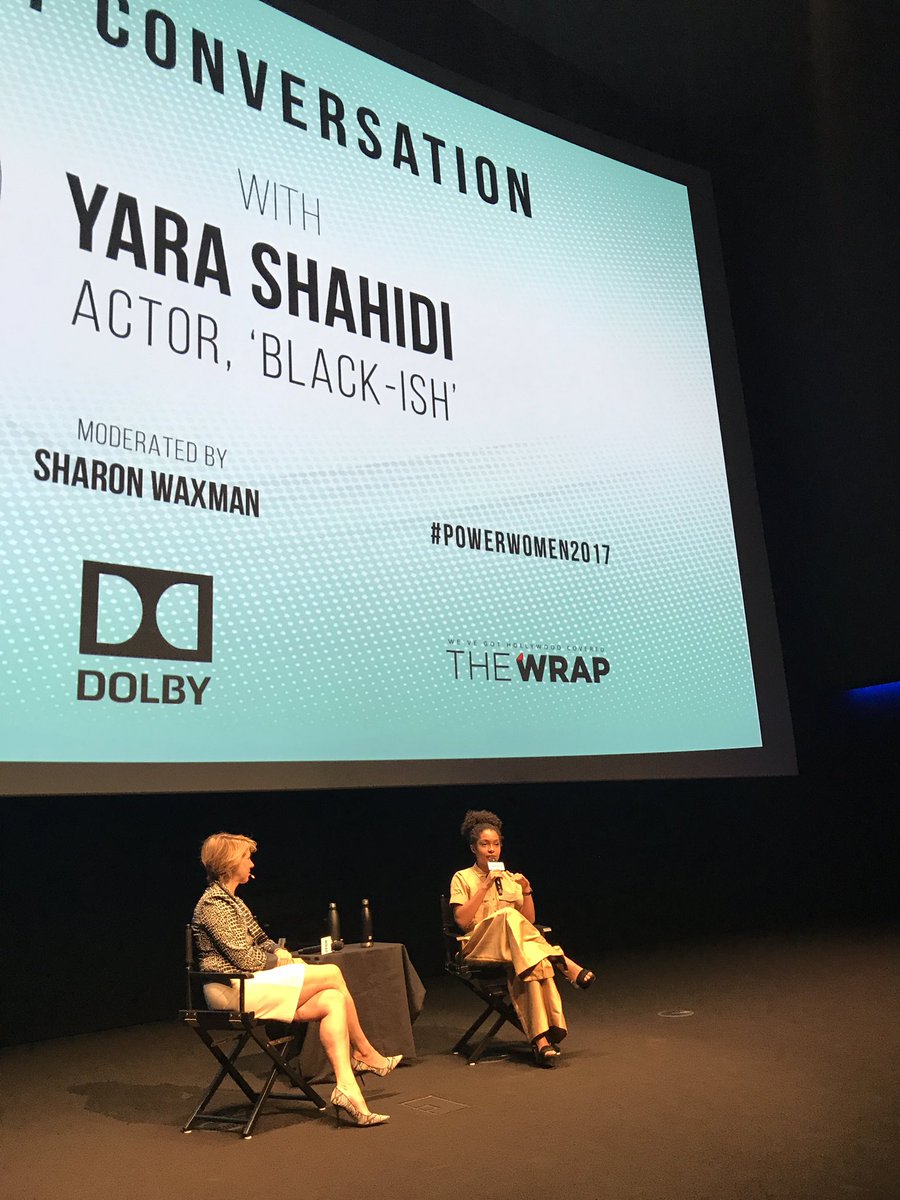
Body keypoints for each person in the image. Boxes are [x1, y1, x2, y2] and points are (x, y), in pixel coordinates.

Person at [192, 832, 401, 1127]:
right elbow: (244, 959)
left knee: (332, 999)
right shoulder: (214, 905)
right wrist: (282, 961)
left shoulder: (233, 901)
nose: (252, 864)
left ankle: (347, 1087)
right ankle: (365, 1052)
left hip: (250, 982)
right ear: (230, 862)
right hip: (231, 988)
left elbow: (261, 939)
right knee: (332, 973)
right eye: (247, 858)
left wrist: (279, 952)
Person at [449, 809, 594, 1067]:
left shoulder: (510, 878)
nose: (491, 850)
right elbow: (461, 921)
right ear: (473, 848)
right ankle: (561, 959)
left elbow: (528, 921)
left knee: (533, 965)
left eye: (496, 844)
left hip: (514, 950)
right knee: (508, 916)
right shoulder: (462, 877)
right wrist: (485, 886)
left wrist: (526, 891)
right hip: (477, 946)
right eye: (485, 844)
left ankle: (541, 1042)